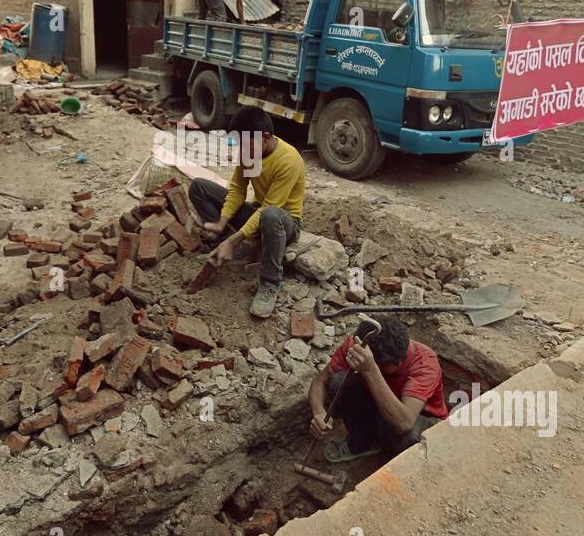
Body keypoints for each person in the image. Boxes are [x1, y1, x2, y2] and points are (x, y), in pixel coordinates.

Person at [189, 106, 304, 318]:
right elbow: (238, 190)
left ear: (266, 137)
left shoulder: (288, 160)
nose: (242, 151)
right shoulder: (250, 152)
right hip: (259, 212)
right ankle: (234, 251)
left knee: (270, 214)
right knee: (199, 187)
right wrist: (222, 222)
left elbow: (270, 208)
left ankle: (270, 283)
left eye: (246, 145)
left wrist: (233, 239)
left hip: (284, 223)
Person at [308, 318, 449, 462]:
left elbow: (404, 423)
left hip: (419, 417)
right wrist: (319, 413)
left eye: (383, 368)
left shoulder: (425, 364)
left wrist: (370, 369)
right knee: (340, 381)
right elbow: (320, 382)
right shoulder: (359, 347)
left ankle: (405, 463)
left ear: (399, 362)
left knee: (409, 434)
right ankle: (365, 443)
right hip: (384, 408)